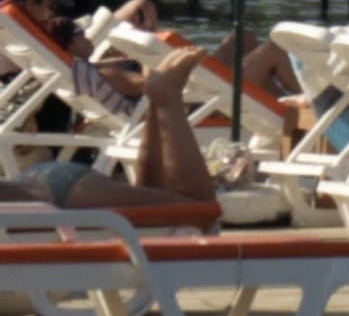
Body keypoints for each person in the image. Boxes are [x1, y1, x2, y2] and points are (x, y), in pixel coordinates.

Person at [0, 45, 222, 207]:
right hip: (43, 183)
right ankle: (161, 100)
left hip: (60, 195)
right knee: (169, 205)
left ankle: (165, 98)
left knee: (198, 212)